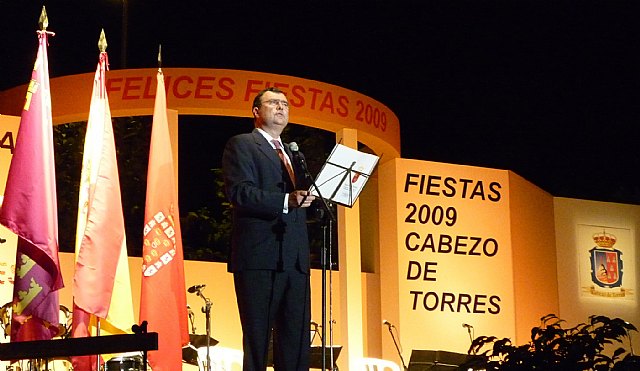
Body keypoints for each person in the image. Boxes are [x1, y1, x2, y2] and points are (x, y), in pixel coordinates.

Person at [222, 87, 316, 371]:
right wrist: (287, 200)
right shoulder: (242, 144)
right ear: (255, 112)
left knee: (297, 342)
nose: (281, 108)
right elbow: (240, 192)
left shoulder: (292, 153)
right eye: (273, 103)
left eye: (285, 104)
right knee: (258, 341)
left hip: (295, 261)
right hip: (259, 258)